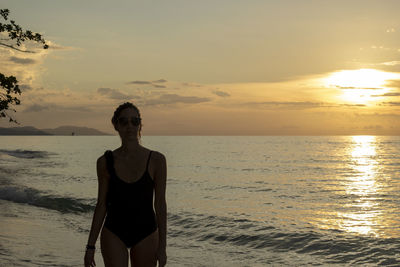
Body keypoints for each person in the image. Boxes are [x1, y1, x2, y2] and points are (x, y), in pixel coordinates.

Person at [84, 102, 167, 267]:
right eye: (124, 121)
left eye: (134, 121)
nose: (130, 126)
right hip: (114, 231)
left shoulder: (157, 160)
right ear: (116, 125)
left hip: (147, 232)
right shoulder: (105, 162)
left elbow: (160, 205)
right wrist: (90, 246)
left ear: (140, 124)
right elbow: (101, 205)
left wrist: (163, 246)